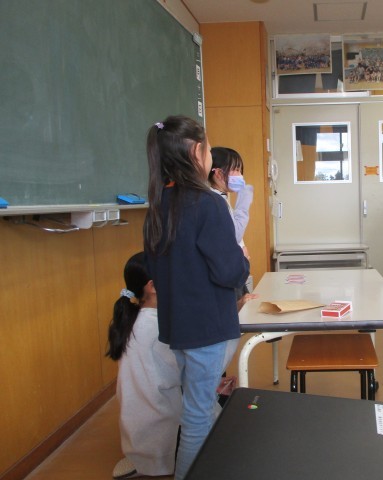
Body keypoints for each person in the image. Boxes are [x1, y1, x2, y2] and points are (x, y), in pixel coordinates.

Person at [143, 115, 250, 480]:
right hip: (208, 328)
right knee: (197, 416)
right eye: (208, 149)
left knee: (197, 405)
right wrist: (243, 262)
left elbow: (156, 269)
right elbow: (230, 272)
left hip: (178, 327)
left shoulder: (157, 206)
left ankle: (217, 462)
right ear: (197, 152)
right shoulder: (208, 204)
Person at [106, 252, 181, 480]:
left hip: (138, 430)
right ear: (153, 286)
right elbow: (186, 371)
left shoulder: (135, 319)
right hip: (158, 431)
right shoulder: (156, 326)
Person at [208, 146, 256, 307]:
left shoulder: (221, 198)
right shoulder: (215, 201)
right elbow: (234, 233)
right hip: (229, 270)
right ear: (218, 173)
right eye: (236, 170)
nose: (240, 175)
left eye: (240, 170)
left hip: (235, 267)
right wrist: (244, 199)